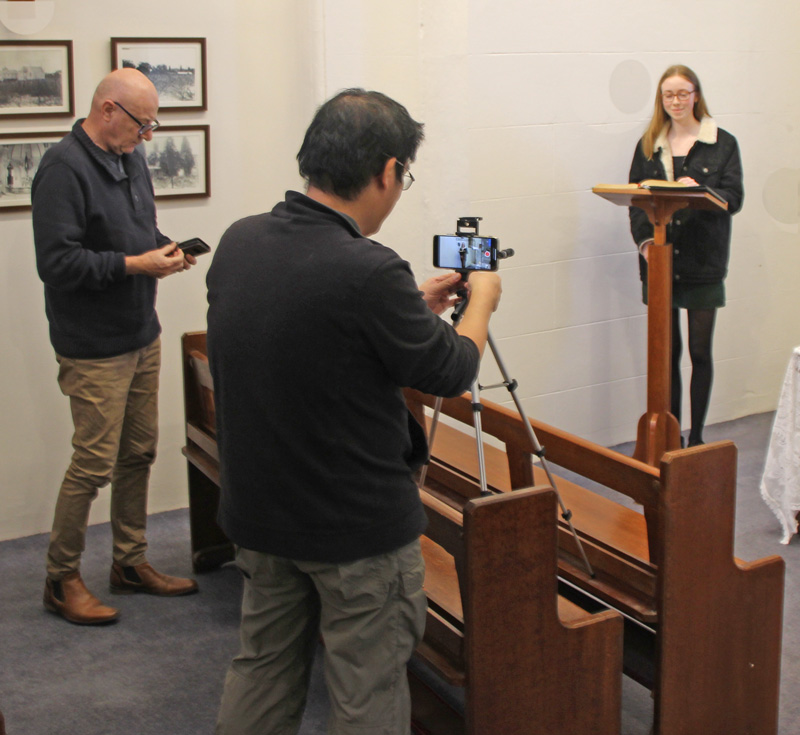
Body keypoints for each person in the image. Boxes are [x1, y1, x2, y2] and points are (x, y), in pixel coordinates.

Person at [208, 89, 502, 735]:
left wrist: (407, 304)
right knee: (365, 693)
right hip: (353, 530)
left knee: (261, 667)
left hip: (261, 512)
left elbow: (313, 334)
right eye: (405, 178)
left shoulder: (241, 240)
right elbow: (451, 369)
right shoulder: (367, 270)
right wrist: (482, 299)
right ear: (388, 170)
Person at [32, 68, 199, 626]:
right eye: (140, 124)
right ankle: (60, 578)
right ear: (107, 109)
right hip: (94, 345)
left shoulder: (129, 158)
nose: (146, 136)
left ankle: (129, 563)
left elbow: (134, 231)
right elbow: (56, 263)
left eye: (152, 126)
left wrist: (163, 251)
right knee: (93, 463)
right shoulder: (62, 168)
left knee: (139, 454)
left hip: (139, 331)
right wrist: (136, 264)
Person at [628, 65, 743, 447]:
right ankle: (671, 435)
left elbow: (734, 199)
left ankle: (697, 437)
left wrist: (703, 189)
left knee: (699, 351)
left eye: (682, 93)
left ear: (696, 95)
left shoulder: (722, 143)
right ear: (661, 100)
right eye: (667, 95)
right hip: (660, 262)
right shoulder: (649, 144)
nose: (675, 101)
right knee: (667, 354)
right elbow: (634, 201)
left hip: (703, 263)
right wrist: (645, 245)